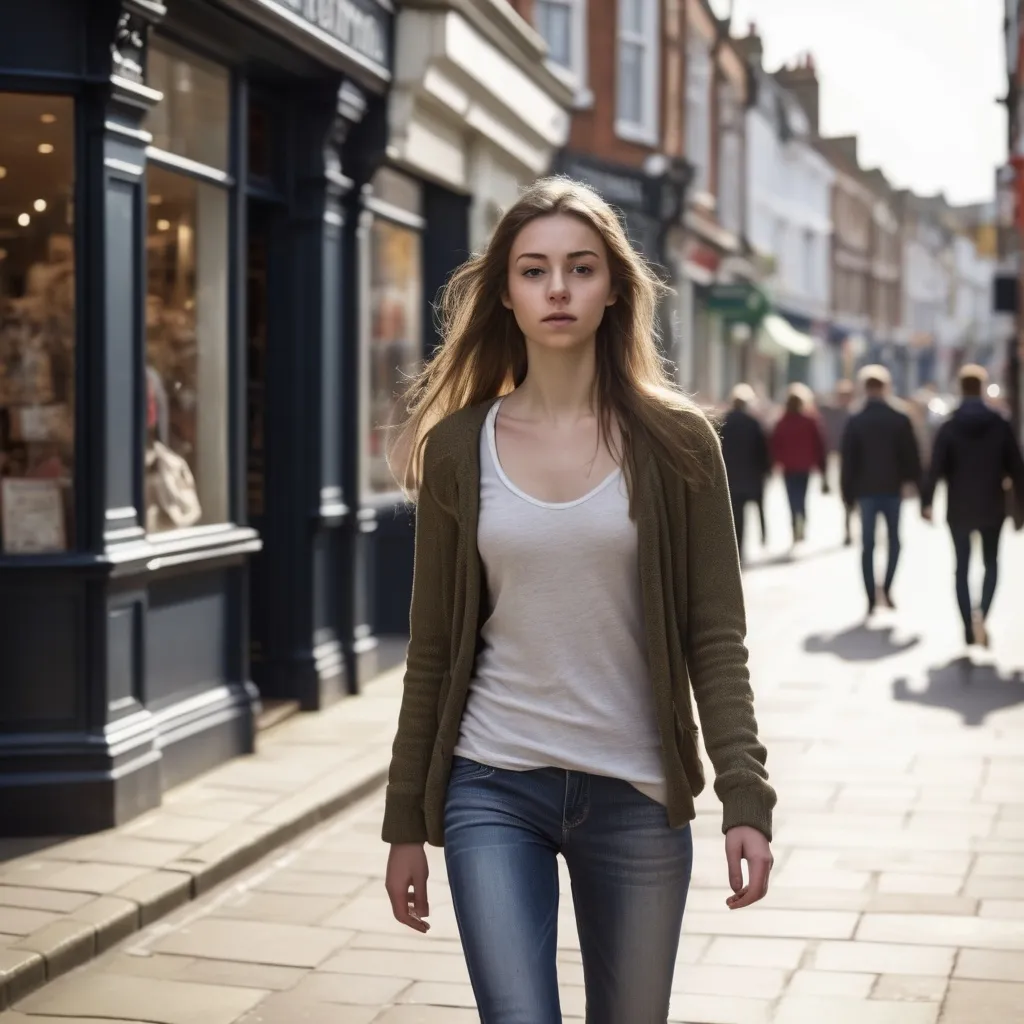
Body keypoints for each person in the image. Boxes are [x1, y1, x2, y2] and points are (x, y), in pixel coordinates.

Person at [380, 178, 776, 1023]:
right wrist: (404, 820)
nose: (557, 288)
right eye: (534, 270)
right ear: (507, 295)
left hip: (636, 791)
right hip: (492, 783)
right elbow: (434, 652)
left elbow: (715, 635)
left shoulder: (678, 443)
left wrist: (746, 794)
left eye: (580, 268)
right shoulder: (459, 447)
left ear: (614, 288)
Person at [921, 364, 1024, 647]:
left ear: (960, 389)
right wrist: (1021, 506)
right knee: (991, 563)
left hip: (959, 507)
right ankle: (983, 614)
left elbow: (935, 468)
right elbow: (1017, 467)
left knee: (962, 567)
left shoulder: (950, 426)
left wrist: (926, 502)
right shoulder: (1000, 424)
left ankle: (968, 622)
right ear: (981, 388)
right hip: (993, 505)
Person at [840, 365, 921, 618]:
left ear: (865, 388)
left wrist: (847, 495)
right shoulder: (899, 417)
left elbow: (848, 461)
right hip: (892, 489)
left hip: (865, 491)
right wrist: (917, 486)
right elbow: (912, 456)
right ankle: (886, 587)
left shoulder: (856, 419)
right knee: (895, 541)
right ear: (886, 387)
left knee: (868, 545)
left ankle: (870, 597)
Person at [770, 385, 828, 545]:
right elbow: (819, 444)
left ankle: (795, 522)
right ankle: (801, 519)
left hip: (788, 466)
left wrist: (776, 462)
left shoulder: (782, 421)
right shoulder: (810, 421)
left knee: (791, 496)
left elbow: (775, 444)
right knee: (802, 495)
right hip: (805, 465)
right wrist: (822, 467)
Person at [720, 383, 770, 560]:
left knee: (737, 514)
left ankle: (738, 549)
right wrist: (766, 470)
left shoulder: (723, 423)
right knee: (757, 508)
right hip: (751, 474)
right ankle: (763, 535)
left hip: (731, 476)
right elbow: (763, 451)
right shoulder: (753, 423)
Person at [820, 379, 856, 545]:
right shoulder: (832, 412)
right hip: (840, 456)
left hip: (852, 457)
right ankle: (848, 526)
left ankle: (853, 523)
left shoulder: (856, 414)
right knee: (846, 492)